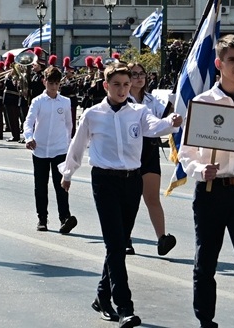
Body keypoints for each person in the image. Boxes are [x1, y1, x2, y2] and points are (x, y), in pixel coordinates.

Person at [61, 63, 181, 328]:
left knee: (118, 243)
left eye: (126, 84)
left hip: (132, 181)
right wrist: (67, 173)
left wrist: (170, 123)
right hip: (105, 181)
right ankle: (125, 307)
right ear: (106, 85)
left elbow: (153, 127)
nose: (122, 89)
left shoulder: (139, 111)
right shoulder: (93, 114)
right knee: (116, 245)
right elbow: (77, 145)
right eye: (116, 84)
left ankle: (102, 296)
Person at [178, 35, 234, 328]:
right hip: (210, 191)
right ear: (218, 63)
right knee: (205, 263)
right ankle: (206, 321)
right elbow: (186, 153)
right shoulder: (202, 103)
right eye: (232, 60)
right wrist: (199, 169)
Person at [125, 61, 174, 255]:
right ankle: (125, 238)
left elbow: (163, 118)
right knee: (130, 199)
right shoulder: (123, 99)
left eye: (141, 74)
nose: (139, 78)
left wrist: (173, 107)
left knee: (152, 197)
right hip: (130, 150)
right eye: (134, 74)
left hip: (150, 150)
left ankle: (162, 239)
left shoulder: (152, 99)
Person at [24, 66, 77, 235]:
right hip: (40, 149)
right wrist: (28, 137)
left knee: (61, 185)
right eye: (50, 83)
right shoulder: (38, 101)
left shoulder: (65, 102)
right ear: (44, 82)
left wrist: (69, 145)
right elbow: (29, 122)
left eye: (56, 83)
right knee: (40, 186)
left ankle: (65, 218)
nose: (54, 87)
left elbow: (69, 125)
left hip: (59, 149)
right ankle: (42, 218)